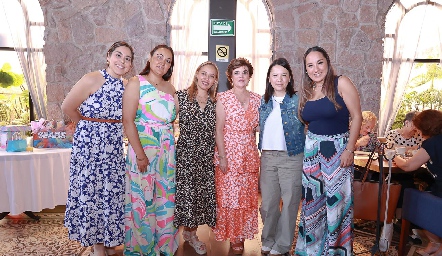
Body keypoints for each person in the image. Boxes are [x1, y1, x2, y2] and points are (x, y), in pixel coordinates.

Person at [62, 41, 134, 256]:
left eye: (127, 58)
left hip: (112, 147)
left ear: (130, 65)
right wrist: (88, 125)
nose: (122, 61)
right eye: (118, 55)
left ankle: (109, 241)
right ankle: (97, 247)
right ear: (108, 56)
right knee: (92, 193)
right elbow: (68, 107)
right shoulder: (92, 78)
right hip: (89, 147)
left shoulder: (126, 86)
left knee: (110, 194)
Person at [295, 46, 362, 255]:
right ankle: (312, 250)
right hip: (312, 153)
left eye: (320, 62)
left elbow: (357, 116)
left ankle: (335, 251)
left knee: (337, 206)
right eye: (310, 65)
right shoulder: (308, 91)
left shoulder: (340, 82)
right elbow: (309, 121)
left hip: (337, 152)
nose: (316, 69)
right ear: (306, 69)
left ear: (328, 62)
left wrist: (349, 150)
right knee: (312, 205)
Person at [122, 45, 178, 256]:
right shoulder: (136, 82)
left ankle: (164, 244)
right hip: (142, 148)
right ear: (150, 57)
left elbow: (172, 120)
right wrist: (140, 154)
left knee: (165, 198)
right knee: (141, 199)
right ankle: (141, 248)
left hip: (166, 152)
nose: (162, 62)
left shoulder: (171, 89)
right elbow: (128, 121)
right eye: (159, 57)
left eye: (168, 60)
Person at [213, 57, 261, 255]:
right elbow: (218, 129)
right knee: (229, 198)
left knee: (246, 198)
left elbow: (258, 126)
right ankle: (233, 237)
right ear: (230, 77)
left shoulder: (258, 98)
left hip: (249, 153)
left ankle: (241, 235)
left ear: (249, 76)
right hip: (228, 152)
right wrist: (223, 156)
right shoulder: (223, 98)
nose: (241, 76)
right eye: (237, 72)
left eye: (244, 72)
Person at [258, 58, 305, 256]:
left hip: (292, 157)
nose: (279, 79)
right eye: (275, 75)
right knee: (268, 203)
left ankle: (283, 244)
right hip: (267, 157)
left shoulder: (299, 100)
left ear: (289, 78)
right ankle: (268, 239)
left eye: (283, 75)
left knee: (290, 202)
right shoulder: (263, 100)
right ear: (269, 78)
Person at [173, 61, 219, 255]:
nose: (206, 78)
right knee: (187, 195)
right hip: (186, 155)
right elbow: (165, 121)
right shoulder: (181, 96)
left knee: (200, 196)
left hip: (206, 156)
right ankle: (187, 235)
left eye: (211, 76)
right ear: (196, 74)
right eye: (203, 73)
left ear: (215, 80)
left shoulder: (216, 102)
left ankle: (191, 234)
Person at [393, 109, 442, 256]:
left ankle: (437, 244)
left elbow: (408, 166)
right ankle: (436, 244)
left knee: (413, 201)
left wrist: (395, 157)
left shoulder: (432, 142)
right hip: (438, 187)